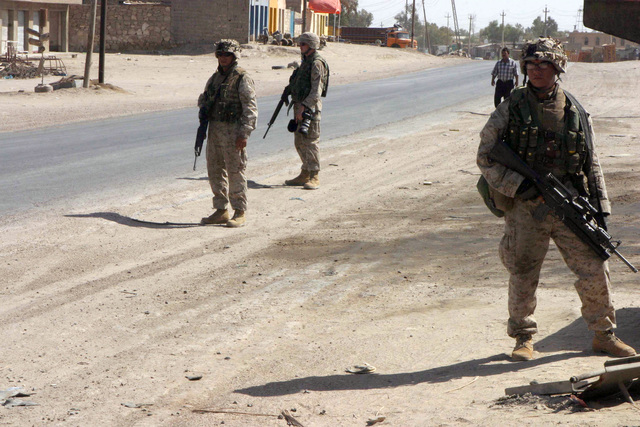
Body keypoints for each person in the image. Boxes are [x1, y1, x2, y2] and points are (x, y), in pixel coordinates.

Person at [477, 37, 636, 361]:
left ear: (557, 68)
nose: (537, 70)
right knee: (523, 271)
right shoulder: (512, 106)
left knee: (594, 266)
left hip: (569, 205)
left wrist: (601, 208)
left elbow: (592, 162)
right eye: (532, 65)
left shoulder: (574, 110)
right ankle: (523, 338)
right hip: (527, 207)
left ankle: (604, 335)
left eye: (544, 64)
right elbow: (485, 155)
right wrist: (517, 187)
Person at [198, 39, 257, 227]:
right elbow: (204, 99)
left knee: (236, 171)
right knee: (215, 170)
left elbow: (250, 108)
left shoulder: (241, 78)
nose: (223, 58)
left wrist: (244, 133)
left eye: (228, 55)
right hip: (215, 129)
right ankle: (221, 210)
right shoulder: (214, 78)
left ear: (235, 56)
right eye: (221, 54)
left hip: (233, 132)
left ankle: (239, 211)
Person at [284, 32, 329, 190]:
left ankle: (314, 175)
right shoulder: (305, 61)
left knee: (310, 142)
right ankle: (305, 172)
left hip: (310, 109)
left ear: (311, 45)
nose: (300, 47)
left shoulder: (317, 63)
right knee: (299, 142)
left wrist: (304, 107)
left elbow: (316, 92)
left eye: (303, 44)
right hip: (299, 106)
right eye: (300, 44)